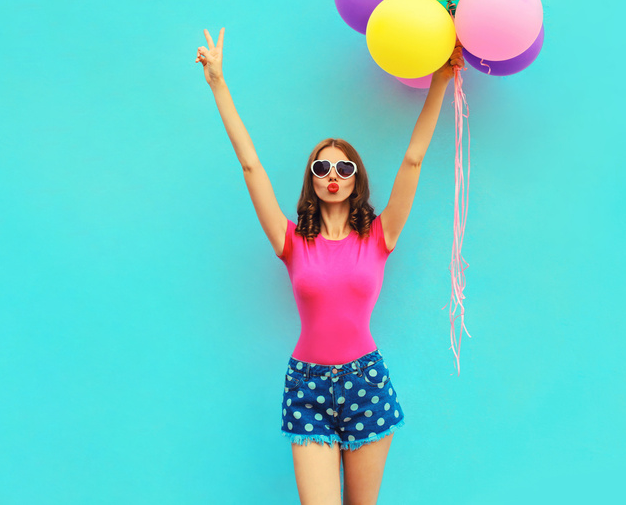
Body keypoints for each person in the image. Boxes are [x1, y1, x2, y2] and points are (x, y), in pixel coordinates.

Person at [196, 28, 463, 504]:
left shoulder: (380, 236)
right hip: (307, 386)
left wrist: (440, 81)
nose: (333, 176)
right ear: (311, 181)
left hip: (366, 384)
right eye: (321, 168)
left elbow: (414, 160)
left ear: (356, 179)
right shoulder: (291, 241)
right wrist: (219, 84)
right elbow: (251, 166)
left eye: (344, 168)